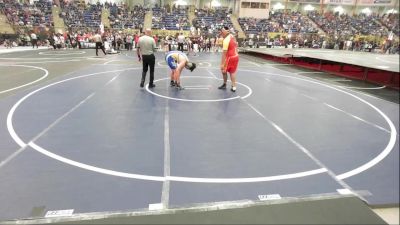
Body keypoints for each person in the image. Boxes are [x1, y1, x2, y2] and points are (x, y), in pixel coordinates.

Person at [218, 26, 239, 92]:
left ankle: (225, 84)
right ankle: (234, 87)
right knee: (232, 72)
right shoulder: (231, 36)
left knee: (223, 71)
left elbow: (224, 54)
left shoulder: (226, 40)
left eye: (222, 30)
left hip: (230, 57)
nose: (221, 32)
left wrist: (222, 64)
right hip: (236, 56)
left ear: (227, 31)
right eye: (221, 30)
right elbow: (235, 44)